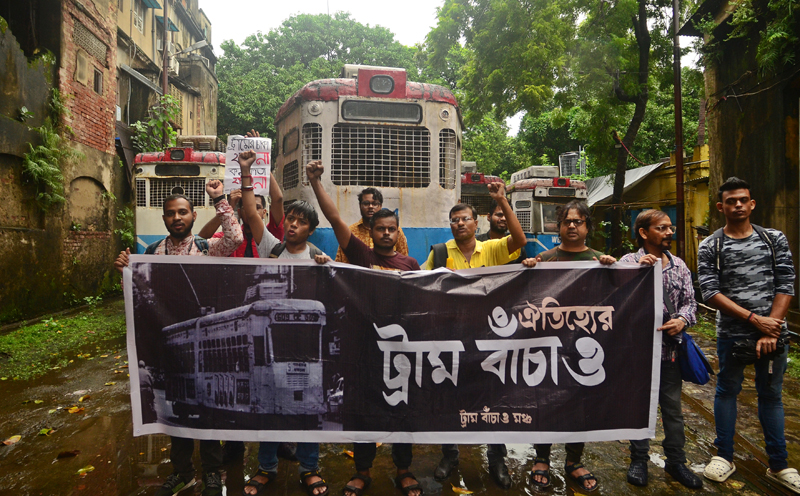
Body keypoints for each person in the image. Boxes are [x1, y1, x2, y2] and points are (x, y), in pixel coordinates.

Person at [114, 179, 242, 496]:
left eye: (182, 212)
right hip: (170, 346)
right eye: (171, 214)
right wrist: (124, 273)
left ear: (193, 215)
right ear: (165, 219)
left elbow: (235, 237)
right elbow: (137, 299)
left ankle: (214, 473)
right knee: (177, 408)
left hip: (205, 344)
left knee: (208, 407)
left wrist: (220, 199)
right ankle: (183, 472)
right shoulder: (151, 253)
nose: (177, 218)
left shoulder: (206, 248)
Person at [306, 160, 421, 496]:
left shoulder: (411, 265)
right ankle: (363, 472)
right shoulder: (361, 256)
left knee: (401, 410)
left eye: (391, 229)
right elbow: (334, 219)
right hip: (364, 348)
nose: (386, 233)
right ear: (370, 231)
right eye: (380, 228)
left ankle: (404, 469)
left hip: (399, 351)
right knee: (364, 409)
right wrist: (315, 182)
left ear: (398, 232)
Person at [237, 150, 331, 496]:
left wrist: (327, 269)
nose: (292, 224)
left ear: (310, 230)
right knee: (268, 408)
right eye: (289, 218)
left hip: (306, 350)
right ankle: (266, 468)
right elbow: (250, 212)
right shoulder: (271, 248)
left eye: (300, 221)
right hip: (267, 346)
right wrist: (247, 174)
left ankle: (309, 468)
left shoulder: (321, 260)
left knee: (308, 410)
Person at [422, 182, 527, 489]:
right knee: (450, 398)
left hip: (489, 340)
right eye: (454, 220)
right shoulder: (439, 253)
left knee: (493, 399)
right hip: (451, 340)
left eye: (465, 219)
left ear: (475, 222)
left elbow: (519, 240)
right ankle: (449, 456)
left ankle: (497, 459)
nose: (459, 224)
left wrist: (502, 201)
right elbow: (419, 285)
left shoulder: (492, 249)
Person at [697, 177, 799, 493]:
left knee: (771, 395)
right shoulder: (711, 245)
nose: (738, 205)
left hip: (772, 336)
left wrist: (773, 326)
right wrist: (756, 320)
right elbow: (710, 291)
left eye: (743, 199)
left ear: (751, 204)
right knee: (727, 390)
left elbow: (786, 282)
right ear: (721, 207)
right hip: (732, 334)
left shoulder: (773, 239)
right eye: (731, 201)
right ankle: (723, 456)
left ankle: (779, 464)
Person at [521, 199, 615, 492]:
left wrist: (622, 269)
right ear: (558, 226)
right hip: (550, 347)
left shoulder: (601, 261)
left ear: (588, 227)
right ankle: (542, 458)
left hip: (587, 347)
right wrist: (526, 270)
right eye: (566, 221)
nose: (572, 226)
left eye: (578, 221)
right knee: (546, 399)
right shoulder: (545, 260)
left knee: (581, 401)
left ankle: (574, 460)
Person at [620, 209, 703, 489]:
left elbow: (691, 303)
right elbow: (615, 302)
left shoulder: (679, 265)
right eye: (662, 228)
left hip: (671, 353)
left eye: (671, 227)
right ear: (644, 233)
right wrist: (634, 274)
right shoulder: (628, 262)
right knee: (640, 407)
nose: (670, 233)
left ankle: (676, 462)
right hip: (638, 353)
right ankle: (639, 460)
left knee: (672, 409)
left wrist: (682, 320)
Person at [335, 187, 408, 263]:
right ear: (360, 205)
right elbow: (342, 262)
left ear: (380, 206)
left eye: (375, 204)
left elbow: (404, 261)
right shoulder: (351, 232)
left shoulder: (394, 231)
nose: (370, 207)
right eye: (366, 203)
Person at [475, 199, 527, 264]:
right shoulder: (477, 243)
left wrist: (528, 263)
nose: (503, 219)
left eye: (506, 216)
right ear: (489, 217)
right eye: (499, 215)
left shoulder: (516, 245)